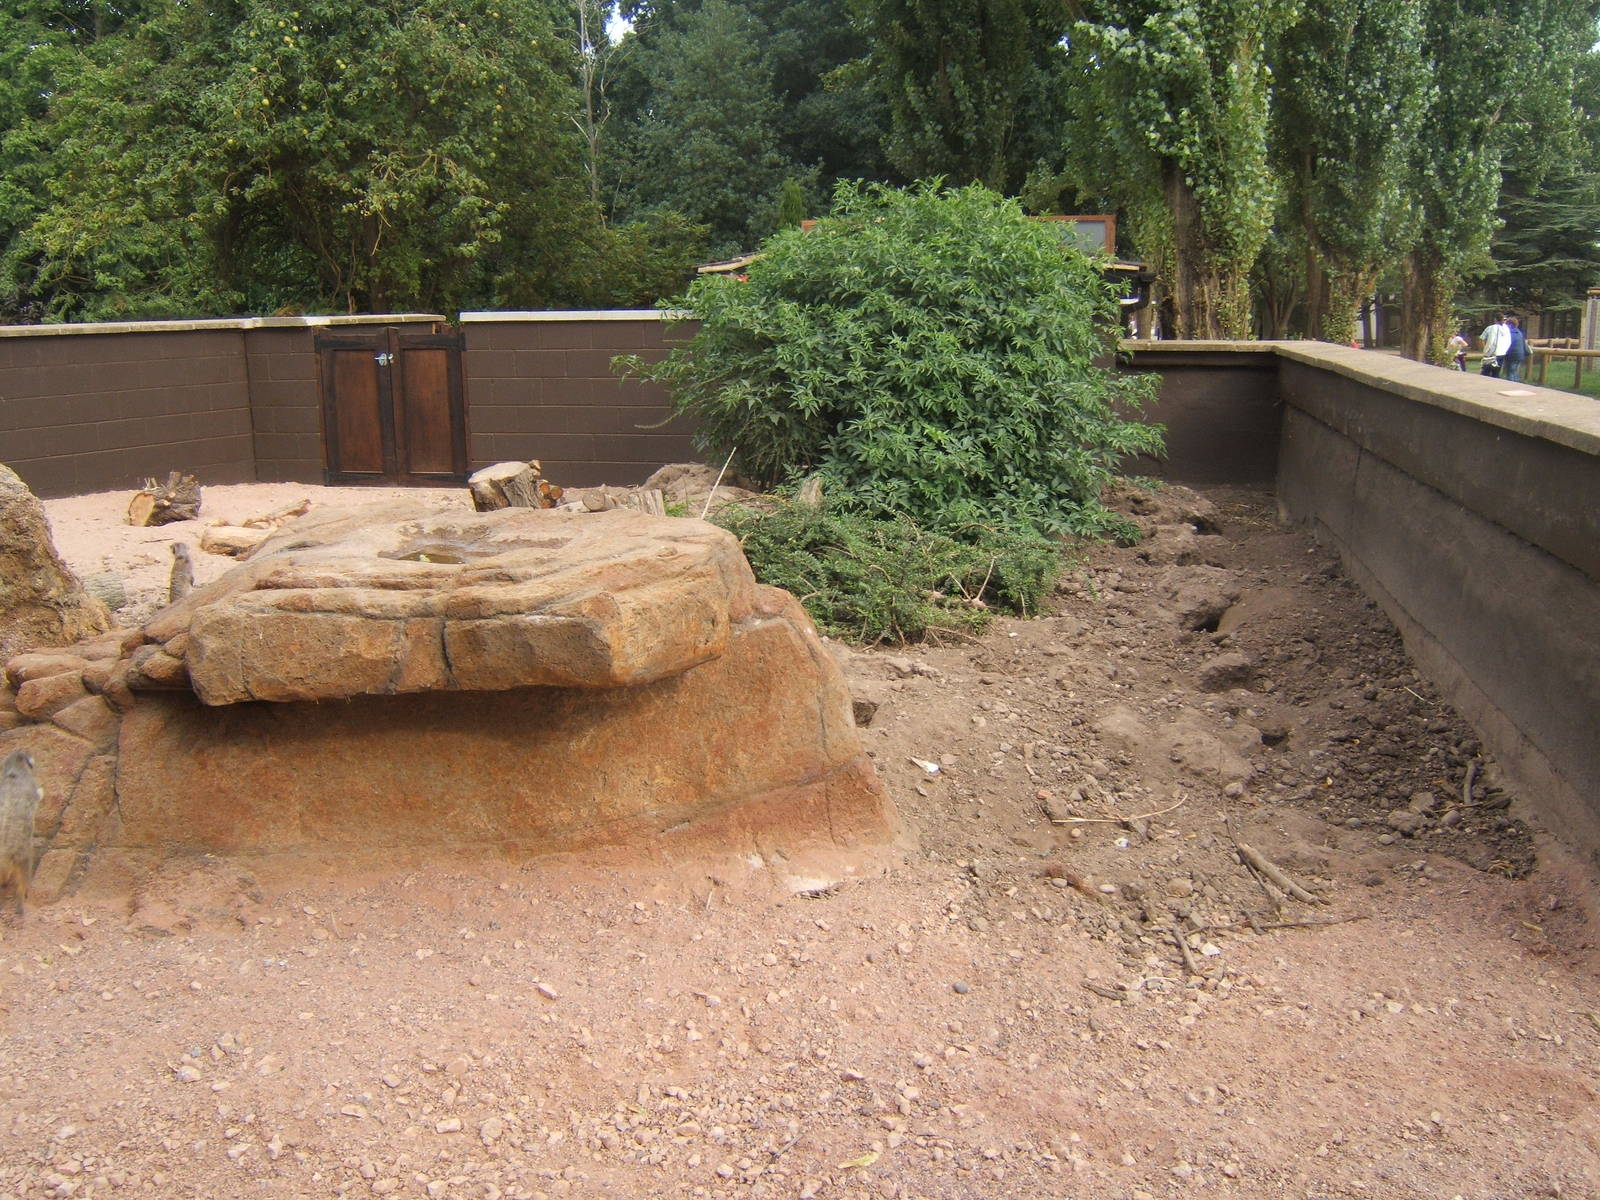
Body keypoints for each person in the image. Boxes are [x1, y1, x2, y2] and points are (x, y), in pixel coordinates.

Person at [1503, 316, 1529, 381]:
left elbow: (1507, 345)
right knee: (1515, 372)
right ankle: (1516, 384)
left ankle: (1511, 386)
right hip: (1520, 355)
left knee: (1510, 372)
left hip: (1512, 355)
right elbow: (1524, 344)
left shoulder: (1509, 333)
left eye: (1507, 324)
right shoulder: (1520, 333)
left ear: (1510, 325)